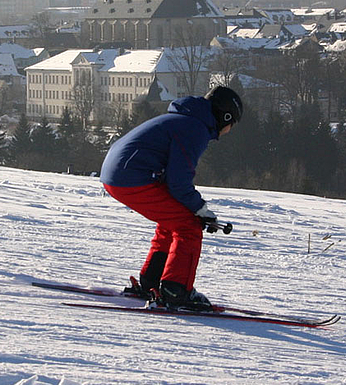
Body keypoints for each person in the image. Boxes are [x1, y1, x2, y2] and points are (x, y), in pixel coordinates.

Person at [100, 86, 243, 310]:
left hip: (118, 174)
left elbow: (173, 179)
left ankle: (152, 282)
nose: (229, 131)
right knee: (189, 226)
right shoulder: (195, 128)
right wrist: (200, 210)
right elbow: (178, 181)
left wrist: (195, 207)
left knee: (173, 220)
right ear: (225, 117)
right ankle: (176, 291)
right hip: (131, 177)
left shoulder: (185, 119)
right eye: (232, 124)